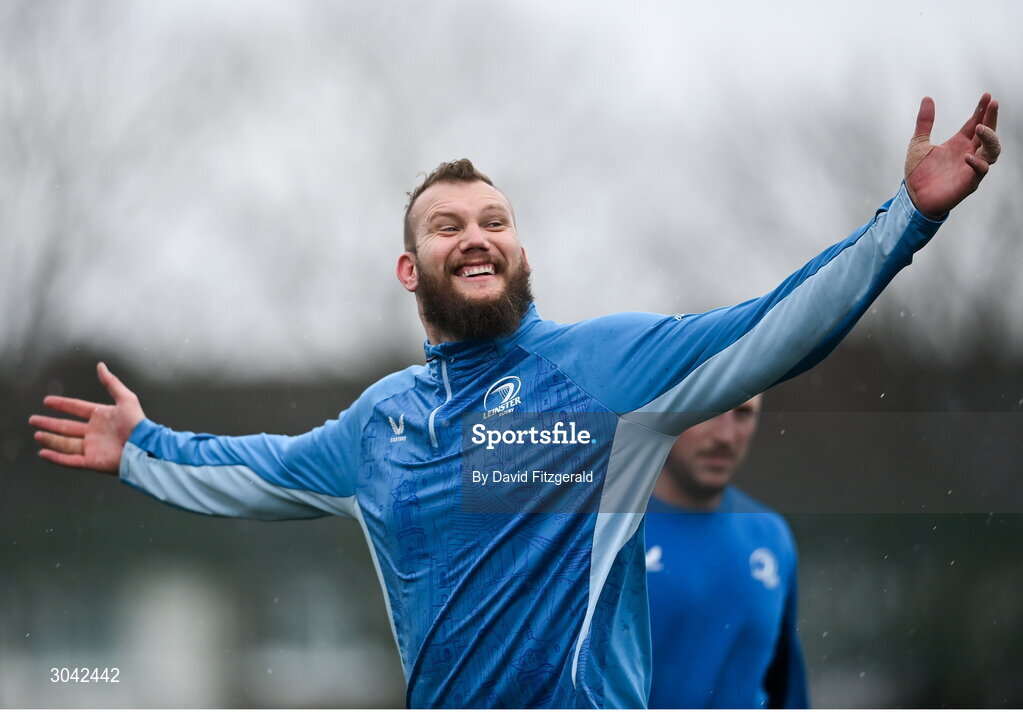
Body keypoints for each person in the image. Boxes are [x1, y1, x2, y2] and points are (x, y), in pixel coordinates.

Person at [30, 95, 999, 708]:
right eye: (449, 225)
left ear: (521, 252)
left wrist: (904, 219)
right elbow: (258, 466)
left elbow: (778, 324)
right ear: (413, 268)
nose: (477, 234)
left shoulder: (608, 372)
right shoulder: (382, 425)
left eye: (496, 219)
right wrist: (144, 445)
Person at [645, 395, 808, 708]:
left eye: (743, 414)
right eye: (710, 408)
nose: (725, 436)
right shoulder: (603, 535)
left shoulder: (770, 537)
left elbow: (785, 694)